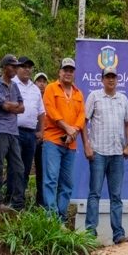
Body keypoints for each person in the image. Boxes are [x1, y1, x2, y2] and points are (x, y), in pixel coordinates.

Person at [85, 65, 128, 243]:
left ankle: (118, 234)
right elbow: (83, 121)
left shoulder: (123, 99)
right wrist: (87, 146)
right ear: (102, 79)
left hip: (117, 155)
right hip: (98, 152)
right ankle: (90, 233)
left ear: (117, 79)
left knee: (116, 196)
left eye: (113, 76)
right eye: (108, 77)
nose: (111, 79)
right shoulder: (94, 96)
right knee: (94, 193)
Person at [42, 58, 86, 222]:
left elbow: (82, 115)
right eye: (65, 69)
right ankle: (50, 217)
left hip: (71, 143)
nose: (68, 73)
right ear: (59, 72)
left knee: (67, 183)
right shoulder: (51, 88)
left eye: (71, 70)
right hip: (53, 140)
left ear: (74, 73)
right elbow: (50, 110)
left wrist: (73, 130)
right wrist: (67, 128)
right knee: (51, 179)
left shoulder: (78, 93)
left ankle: (61, 217)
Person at [0, 55, 25, 210]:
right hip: (0, 129)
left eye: (17, 66)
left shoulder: (15, 86)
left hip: (13, 131)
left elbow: (22, 108)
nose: (16, 69)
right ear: (5, 67)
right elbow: (5, 107)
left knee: (18, 167)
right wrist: (14, 106)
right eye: (13, 66)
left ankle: (18, 203)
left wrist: (14, 106)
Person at [14, 57, 45, 211]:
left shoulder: (34, 89)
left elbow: (41, 112)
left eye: (29, 67)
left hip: (31, 133)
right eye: (24, 66)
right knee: (16, 167)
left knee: (25, 168)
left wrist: (41, 131)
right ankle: (12, 199)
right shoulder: (12, 84)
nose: (27, 69)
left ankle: (19, 201)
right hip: (15, 131)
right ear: (17, 68)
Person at [33, 72, 48, 206]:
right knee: (22, 169)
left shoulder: (49, 99)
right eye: (39, 81)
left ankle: (40, 202)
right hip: (30, 137)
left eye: (44, 81)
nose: (42, 83)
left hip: (45, 140)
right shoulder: (31, 96)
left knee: (42, 171)